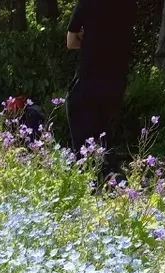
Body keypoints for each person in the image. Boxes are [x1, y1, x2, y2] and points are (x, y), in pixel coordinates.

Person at [65, 0, 137, 162]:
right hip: (115, 84)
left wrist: (87, 40)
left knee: (84, 153)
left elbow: (71, 42)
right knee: (105, 143)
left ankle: (95, 181)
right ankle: (112, 179)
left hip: (87, 83)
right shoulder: (129, 5)